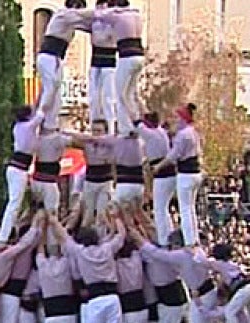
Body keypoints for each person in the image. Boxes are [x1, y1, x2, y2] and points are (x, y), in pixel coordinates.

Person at [50, 207, 126, 323]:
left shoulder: (79, 252)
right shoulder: (107, 249)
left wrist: (53, 220)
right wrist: (116, 218)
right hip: (113, 297)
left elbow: (63, 237)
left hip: (94, 300)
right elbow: (121, 235)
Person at [35, 0, 93, 131]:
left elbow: (86, 26)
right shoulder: (64, 14)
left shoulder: (71, 20)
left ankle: (50, 123)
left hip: (57, 58)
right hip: (48, 56)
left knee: (56, 93)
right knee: (50, 89)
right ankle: (37, 119)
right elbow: (89, 17)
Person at [152, 104, 202, 246]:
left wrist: (158, 166)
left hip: (185, 173)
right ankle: (194, 237)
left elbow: (173, 156)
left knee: (185, 208)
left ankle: (189, 240)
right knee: (191, 208)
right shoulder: (193, 132)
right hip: (195, 173)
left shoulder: (183, 135)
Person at [95, 0, 145, 136]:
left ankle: (126, 129)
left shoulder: (117, 16)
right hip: (140, 56)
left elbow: (97, 15)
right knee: (131, 93)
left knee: (120, 94)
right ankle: (139, 120)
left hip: (126, 57)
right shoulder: (136, 14)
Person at [0, 106, 45, 243]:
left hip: (16, 168)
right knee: (14, 204)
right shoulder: (28, 127)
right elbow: (41, 112)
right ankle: (3, 236)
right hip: (19, 169)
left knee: (16, 203)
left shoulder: (19, 127)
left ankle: (7, 233)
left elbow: (36, 109)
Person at [138, 112, 175, 245]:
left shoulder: (149, 134)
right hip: (169, 173)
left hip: (162, 173)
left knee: (159, 208)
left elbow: (137, 123)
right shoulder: (161, 132)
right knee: (163, 207)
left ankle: (163, 239)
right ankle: (168, 233)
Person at [89, 0, 117, 129]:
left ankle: (110, 127)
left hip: (109, 62)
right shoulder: (94, 22)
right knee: (94, 97)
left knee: (108, 97)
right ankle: (94, 124)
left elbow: (107, 40)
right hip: (95, 62)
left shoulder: (114, 22)